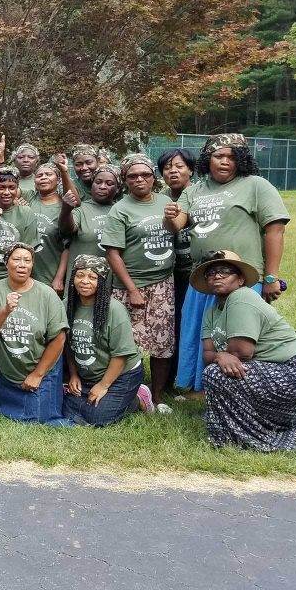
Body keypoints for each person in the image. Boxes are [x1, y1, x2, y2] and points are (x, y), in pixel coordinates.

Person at [165, 134, 289, 393]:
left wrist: (271, 277)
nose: (225, 162)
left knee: (235, 334)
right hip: (204, 277)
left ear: (242, 160)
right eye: (218, 156)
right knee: (200, 333)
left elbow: (275, 230)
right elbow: (177, 225)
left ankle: (239, 388)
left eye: (232, 157)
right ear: (207, 159)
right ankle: (198, 386)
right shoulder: (194, 190)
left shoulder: (255, 185)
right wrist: (171, 216)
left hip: (241, 278)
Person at [194, 250, 296, 452]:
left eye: (225, 271)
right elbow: (207, 354)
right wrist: (221, 355)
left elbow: (241, 353)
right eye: (211, 273)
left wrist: (221, 356)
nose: (217, 275)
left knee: (215, 375)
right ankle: (249, 428)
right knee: (218, 371)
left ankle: (256, 439)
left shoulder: (241, 297)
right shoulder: (212, 312)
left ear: (240, 280)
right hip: (271, 368)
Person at [103, 153, 176, 411]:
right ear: (125, 180)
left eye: (145, 174)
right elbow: (112, 252)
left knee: (162, 342)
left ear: (153, 177)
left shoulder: (166, 201)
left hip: (162, 283)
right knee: (125, 343)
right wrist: (132, 289)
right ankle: (126, 395)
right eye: (133, 176)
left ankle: (157, 398)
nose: (139, 179)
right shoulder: (120, 209)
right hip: (128, 286)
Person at [0, 243, 71, 425]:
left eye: (27, 260)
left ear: (32, 265)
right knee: (5, 415)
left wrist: (37, 375)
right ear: (6, 263)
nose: (22, 264)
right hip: (10, 370)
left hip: (42, 367)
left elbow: (59, 338)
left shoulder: (47, 294)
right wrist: (5, 310)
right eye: (16, 259)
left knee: (39, 419)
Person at [63, 255, 150, 427]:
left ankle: (138, 398)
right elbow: (68, 345)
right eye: (80, 275)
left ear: (102, 281)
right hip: (88, 373)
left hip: (122, 374)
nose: (85, 281)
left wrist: (103, 385)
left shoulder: (115, 310)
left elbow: (121, 355)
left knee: (98, 418)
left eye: (92, 277)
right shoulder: (66, 305)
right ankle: (87, 397)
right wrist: (73, 374)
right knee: (63, 406)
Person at [157, 147, 197, 383]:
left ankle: (191, 377)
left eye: (179, 166)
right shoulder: (161, 198)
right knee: (173, 324)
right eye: (167, 167)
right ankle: (172, 377)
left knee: (191, 324)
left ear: (190, 170)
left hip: (195, 271)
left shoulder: (199, 195)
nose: (173, 171)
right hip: (168, 273)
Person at [28, 158, 75, 292]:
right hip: (26, 272)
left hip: (50, 274)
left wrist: (59, 277)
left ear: (58, 180)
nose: (43, 178)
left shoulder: (64, 206)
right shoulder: (28, 198)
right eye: (39, 175)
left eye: (48, 174)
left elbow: (68, 246)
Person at [60, 164, 120, 265]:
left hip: (112, 276)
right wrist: (66, 210)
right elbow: (67, 229)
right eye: (98, 182)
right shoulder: (81, 209)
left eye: (109, 184)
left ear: (118, 188)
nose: (102, 187)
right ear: (92, 184)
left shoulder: (120, 210)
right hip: (82, 276)